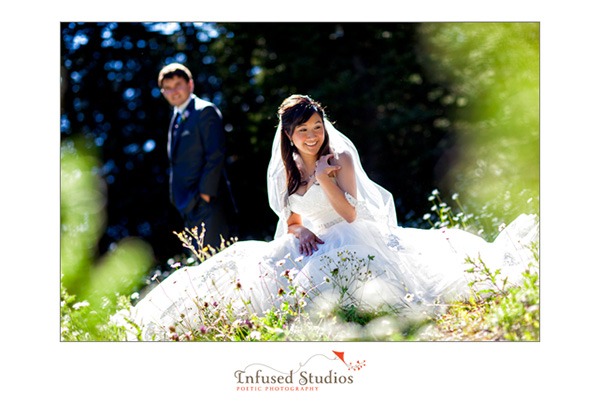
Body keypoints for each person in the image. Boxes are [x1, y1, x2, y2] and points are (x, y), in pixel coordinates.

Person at [116, 94, 538, 340]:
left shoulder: (341, 157)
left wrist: (325, 178)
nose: (313, 135)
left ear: (323, 124)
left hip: (352, 234)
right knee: (245, 262)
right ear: (289, 136)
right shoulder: (286, 168)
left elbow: (353, 214)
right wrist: (297, 234)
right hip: (311, 241)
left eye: (317, 126)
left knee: (334, 273)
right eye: (304, 131)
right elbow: (293, 216)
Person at [158, 63, 230, 249]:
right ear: (163, 92)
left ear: (190, 85)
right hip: (188, 206)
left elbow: (215, 155)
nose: (174, 92)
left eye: (178, 85)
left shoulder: (204, 111)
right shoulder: (177, 117)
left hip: (208, 203)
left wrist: (204, 196)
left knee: (217, 265)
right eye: (168, 88)